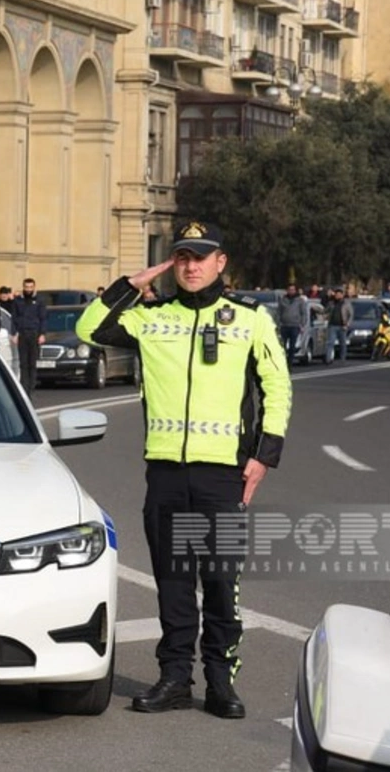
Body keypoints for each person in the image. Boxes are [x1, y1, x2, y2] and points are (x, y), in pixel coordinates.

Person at [76, 220, 291, 720]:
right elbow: (89, 328)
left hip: (224, 475)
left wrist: (264, 456)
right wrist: (132, 284)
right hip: (167, 472)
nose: (191, 266)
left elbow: (278, 388)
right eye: (182, 257)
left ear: (221, 262)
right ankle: (174, 677)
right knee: (172, 582)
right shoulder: (152, 319)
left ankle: (220, 679)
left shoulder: (249, 319)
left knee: (219, 582)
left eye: (201, 256)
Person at [9, 278, 47, 395]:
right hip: (22, 334)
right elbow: (14, 318)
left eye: (31, 287)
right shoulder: (18, 301)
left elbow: (43, 318)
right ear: (23, 287)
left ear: (34, 287)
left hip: (34, 333)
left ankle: (31, 387)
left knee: (32, 363)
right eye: (26, 287)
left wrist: (42, 334)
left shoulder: (39, 301)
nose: (28, 289)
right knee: (23, 363)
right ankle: (24, 388)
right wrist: (14, 333)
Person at [275, 284, 310, 362]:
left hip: (295, 326)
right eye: (289, 289)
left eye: (293, 289)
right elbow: (278, 312)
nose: (291, 291)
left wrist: (302, 324)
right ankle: (283, 361)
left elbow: (304, 313)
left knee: (292, 345)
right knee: (282, 345)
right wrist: (278, 323)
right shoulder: (283, 300)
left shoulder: (300, 300)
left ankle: (290, 361)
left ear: (295, 290)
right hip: (284, 325)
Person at [326, 288, 353, 363]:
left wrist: (347, 324)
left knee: (342, 343)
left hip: (342, 326)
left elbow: (350, 315)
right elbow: (325, 311)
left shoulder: (346, 303)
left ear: (342, 295)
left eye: (339, 294)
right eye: (336, 295)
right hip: (332, 325)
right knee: (330, 342)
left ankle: (342, 359)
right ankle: (328, 359)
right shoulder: (332, 303)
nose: (337, 296)